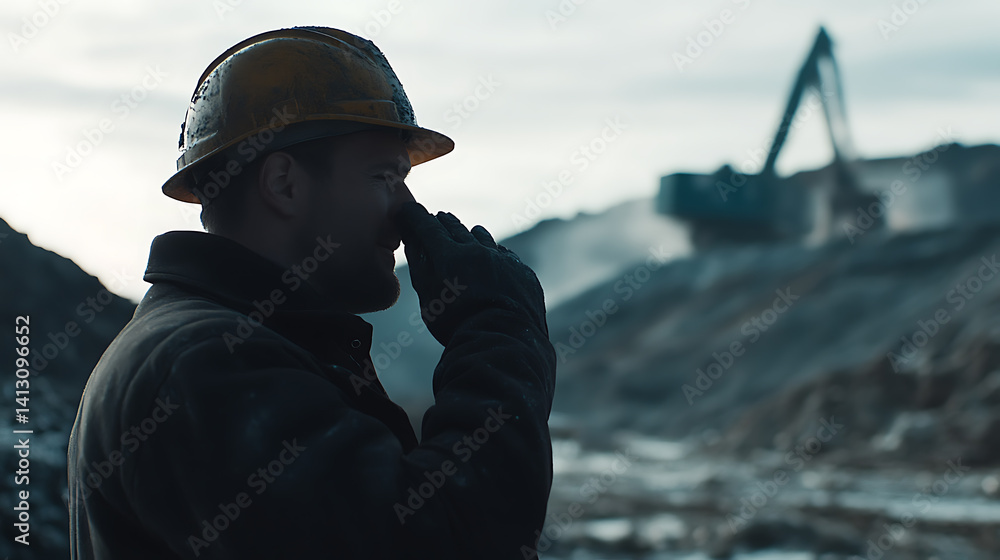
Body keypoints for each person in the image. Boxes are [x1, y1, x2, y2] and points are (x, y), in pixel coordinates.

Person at [67, 27, 556, 559]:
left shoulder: (230, 344)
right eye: (383, 177)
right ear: (284, 184)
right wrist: (500, 322)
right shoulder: (208, 363)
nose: (407, 208)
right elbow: (443, 541)